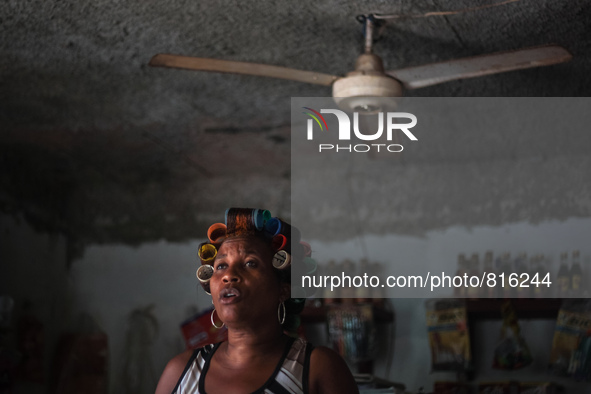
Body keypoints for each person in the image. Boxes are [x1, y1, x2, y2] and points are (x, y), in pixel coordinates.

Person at [155, 208, 359, 394]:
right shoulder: (181, 372)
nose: (228, 275)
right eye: (221, 266)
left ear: (283, 290)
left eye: (250, 263)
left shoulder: (317, 368)